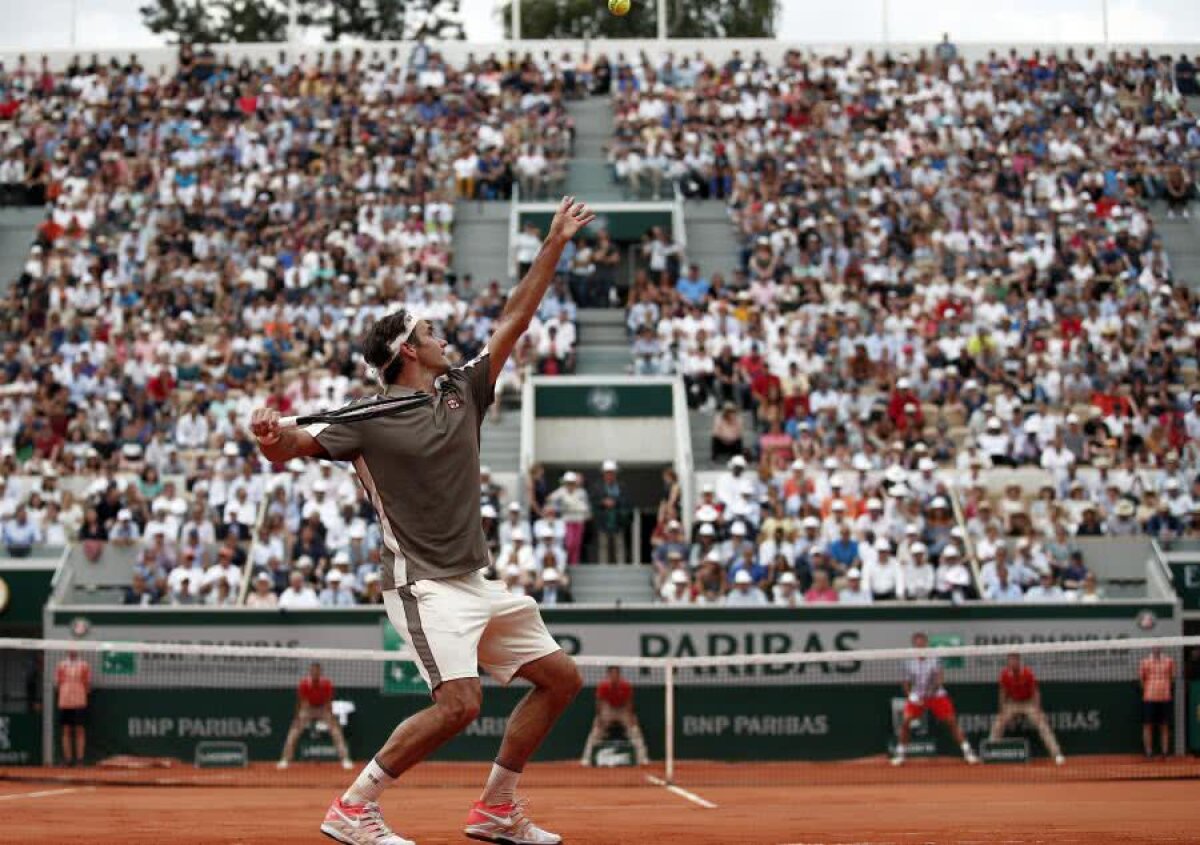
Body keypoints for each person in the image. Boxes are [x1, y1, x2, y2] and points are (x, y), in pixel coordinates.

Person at [250, 196, 594, 845]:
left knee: (561, 680)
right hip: (423, 585)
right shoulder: (362, 423)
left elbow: (516, 319)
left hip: (475, 579)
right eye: (432, 332)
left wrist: (554, 241)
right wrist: (270, 436)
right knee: (460, 703)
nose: (444, 338)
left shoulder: (462, 390)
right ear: (409, 349)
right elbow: (288, 447)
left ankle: (496, 808)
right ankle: (353, 807)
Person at [891, 632, 979, 766]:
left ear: (926, 644)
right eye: (917, 645)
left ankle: (968, 752)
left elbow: (939, 680)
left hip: (936, 695)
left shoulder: (935, 658)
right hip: (917, 696)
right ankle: (900, 753)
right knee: (906, 721)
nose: (920, 647)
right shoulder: (908, 661)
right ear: (914, 645)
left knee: (951, 721)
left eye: (922, 644)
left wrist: (929, 693)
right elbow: (906, 683)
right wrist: (911, 696)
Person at [988, 653, 1065, 765]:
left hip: (1028, 703)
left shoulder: (1027, 673)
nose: (1012, 662)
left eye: (1014, 660)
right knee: (998, 723)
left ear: (1018, 661)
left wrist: (1037, 709)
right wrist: (1002, 709)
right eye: (1010, 660)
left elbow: (1035, 692)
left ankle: (1057, 754)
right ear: (1008, 662)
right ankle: (990, 752)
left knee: (1042, 724)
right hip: (1012, 703)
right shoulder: (1004, 675)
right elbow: (1002, 692)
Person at [278, 662, 354, 771]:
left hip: (323, 709)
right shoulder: (304, 684)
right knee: (293, 732)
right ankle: (285, 759)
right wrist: (298, 717)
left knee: (336, 732)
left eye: (317, 671)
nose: (315, 673)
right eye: (313, 671)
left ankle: (345, 759)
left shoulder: (326, 684)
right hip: (308, 708)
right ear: (310, 672)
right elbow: (301, 702)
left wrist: (332, 717)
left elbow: (328, 702)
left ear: (320, 672)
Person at [579, 666, 649, 766]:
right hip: (608, 708)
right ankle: (586, 758)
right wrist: (599, 718)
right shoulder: (603, 686)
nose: (614, 676)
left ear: (619, 675)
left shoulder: (625, 686)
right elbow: (599, 702)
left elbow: (629, 703)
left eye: (616, 674)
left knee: (634, 730)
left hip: (622, 709)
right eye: (612, 674)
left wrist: (631, 717)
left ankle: (642, 757)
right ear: (608, 675)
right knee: (596, 731)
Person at [1139, 646, 1176, 759]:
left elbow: (1172, 678)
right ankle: (1148, 752)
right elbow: (1142, 679)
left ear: (1161, 647)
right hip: (1149, 697)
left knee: (1164, 725)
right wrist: (1149, 689)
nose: (1156, 648)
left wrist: (1165, 688)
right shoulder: (1144, 662)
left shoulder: (1169, 661)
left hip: (1165, 697)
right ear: (1152, 647)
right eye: (1154, 646)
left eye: (1158, 646)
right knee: (1147, 725)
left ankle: (1165, 752)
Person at [55, 650, 90, 766]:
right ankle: (68, 759)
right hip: (65, 702)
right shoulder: (61, 665)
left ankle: (80, 759)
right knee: (66, 730)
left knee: (80, 730)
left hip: (79, 702)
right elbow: (59, 682)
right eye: (70, 649)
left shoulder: (84, 665)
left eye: (75, 649)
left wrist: (79, 693)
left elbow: (87, 684)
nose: (72, 651)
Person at [591, 459, 630, 564]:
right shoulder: (597, 487)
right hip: (603, 520)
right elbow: (593, 501)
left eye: (612, 473)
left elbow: (626, 501)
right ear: (604, 474)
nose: (610, 475)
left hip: (618, 520)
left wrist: (615, 502)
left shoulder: (621, 486)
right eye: (607, 473)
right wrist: (603, 502)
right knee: (603, 546)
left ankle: (621, 566)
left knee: (619, 545)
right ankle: (603, 566)